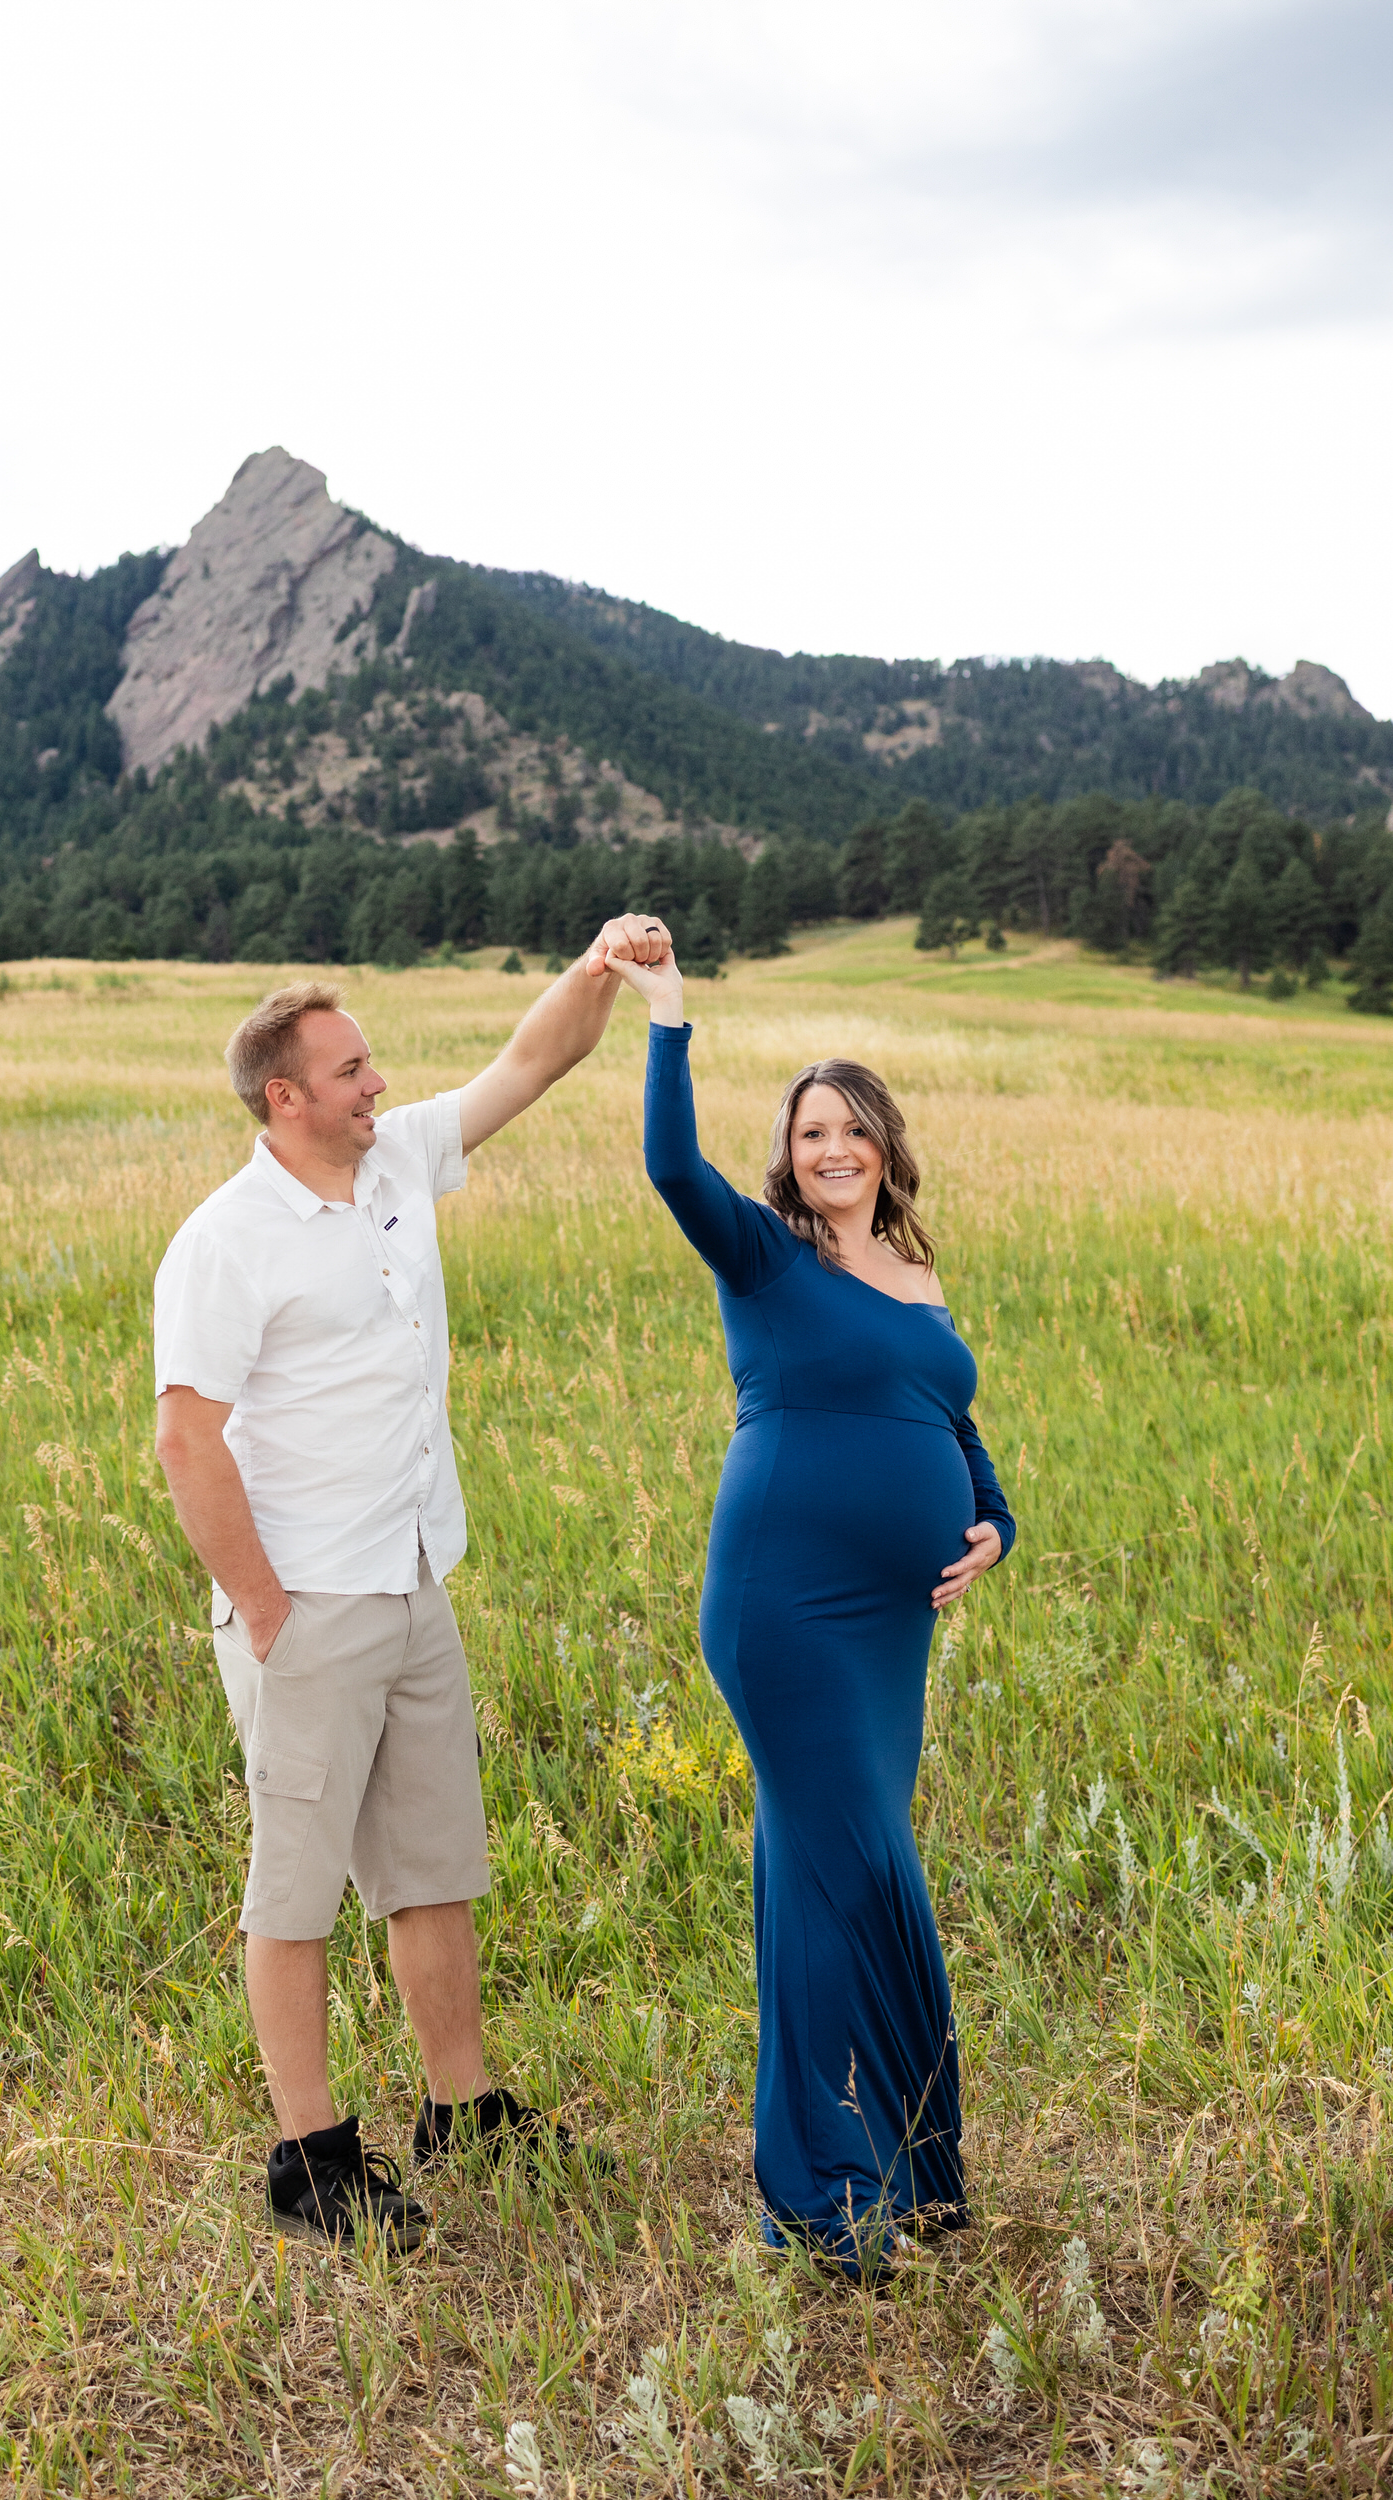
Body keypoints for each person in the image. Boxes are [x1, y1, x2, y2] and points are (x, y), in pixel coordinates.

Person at [153, 922, 669, 2248]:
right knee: (298, 1889)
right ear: (286, 1096)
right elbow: (187, 1439)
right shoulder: (227, 1241)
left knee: (432, 1870)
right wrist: (266, 1612)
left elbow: (530, 1062)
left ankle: (464, 2108)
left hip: (412, 1580)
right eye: (352, 1068)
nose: (378, 1083)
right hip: (308, 1608)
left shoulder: (396, 1168)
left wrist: (603, 966)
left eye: (372, 1063)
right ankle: (311, 2161)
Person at [604, 935, 1016, 2272]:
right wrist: (667, 1013)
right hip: (785, 1606)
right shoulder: (769, 1263)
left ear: (885, 1147)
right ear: (789, 1156)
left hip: (891, 1634)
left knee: (838, 1872)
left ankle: (908, 2158)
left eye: (850, 1126)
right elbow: (672, 1165)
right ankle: (818, 2192)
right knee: (846, 1874)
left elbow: (951, 1425)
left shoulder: (918, 1282)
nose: (831, 1146)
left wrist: (996, 1522)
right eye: (808, 1130)